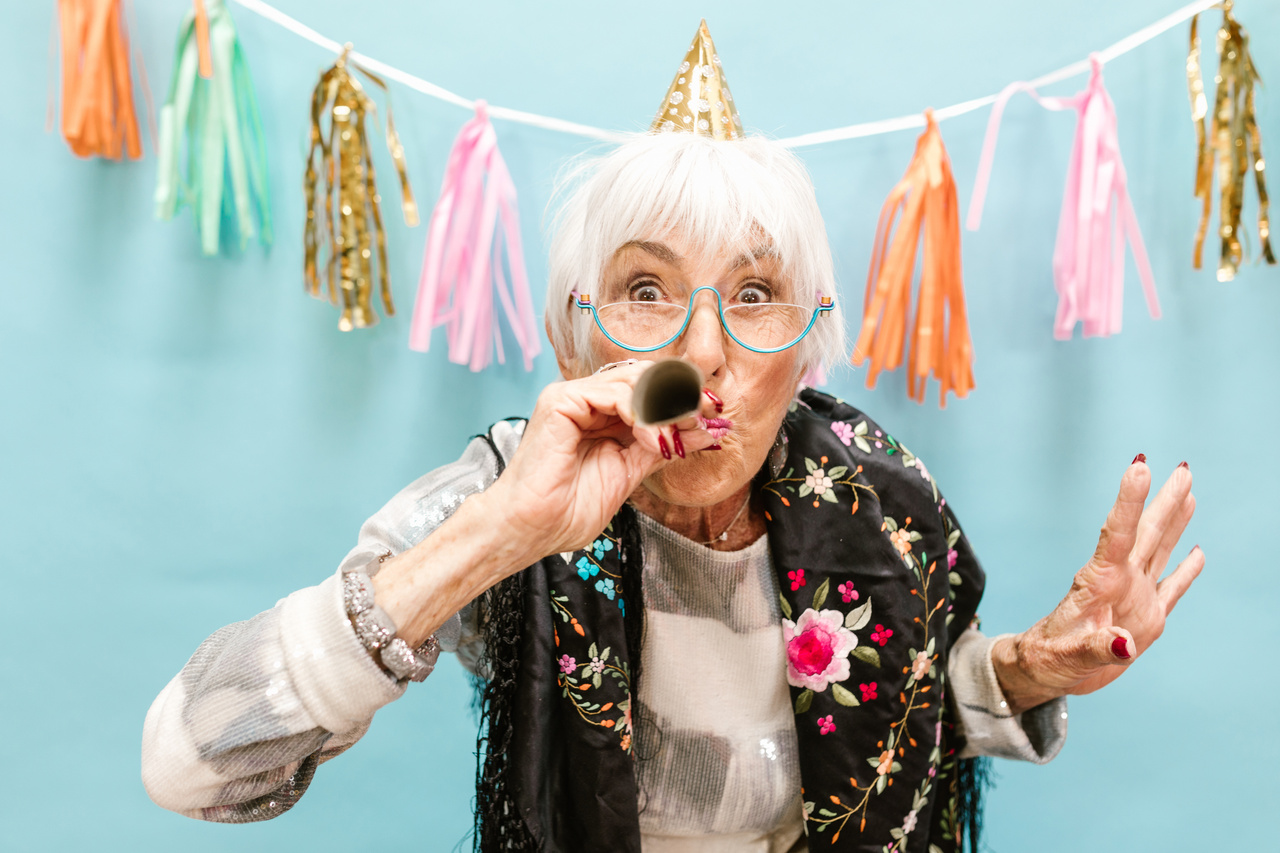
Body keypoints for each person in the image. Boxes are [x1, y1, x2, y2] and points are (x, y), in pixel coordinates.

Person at [141, 34, 1203, 853]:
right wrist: (496, 534)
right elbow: (188, 764)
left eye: (753, 294)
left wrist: (1028, 665)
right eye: (646, 290)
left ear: (807, 346)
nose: (704, 354)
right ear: (575, 332)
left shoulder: (876, 498)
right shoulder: (508, 491)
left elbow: (911, 719)